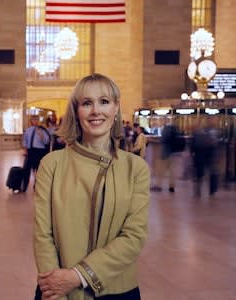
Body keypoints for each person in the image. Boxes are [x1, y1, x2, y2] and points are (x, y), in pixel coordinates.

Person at [33, 73, 150, 300]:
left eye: (104, 102)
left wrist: (78, 276)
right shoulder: (52, 164)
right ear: (76, 111)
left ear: (116, 109)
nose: (96, 110)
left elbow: (134, 236)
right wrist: (54, 285)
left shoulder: (136, 168)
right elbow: (42, 234)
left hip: (116, 289)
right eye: (87, 103)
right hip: (57, 289)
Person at [21, 115, 51, 192]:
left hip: (40, 152)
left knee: (39, 170)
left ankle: (37, 187)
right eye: (33, 120)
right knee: (26, 169)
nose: (35, 121)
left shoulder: (43, 130)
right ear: (31, 121)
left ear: (39, 121)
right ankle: (24, 187)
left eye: (36, 119)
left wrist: (41, 135)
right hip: (30, 151)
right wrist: (25, 150)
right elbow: (25, 141)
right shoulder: (28, 130)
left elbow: (47, 141)